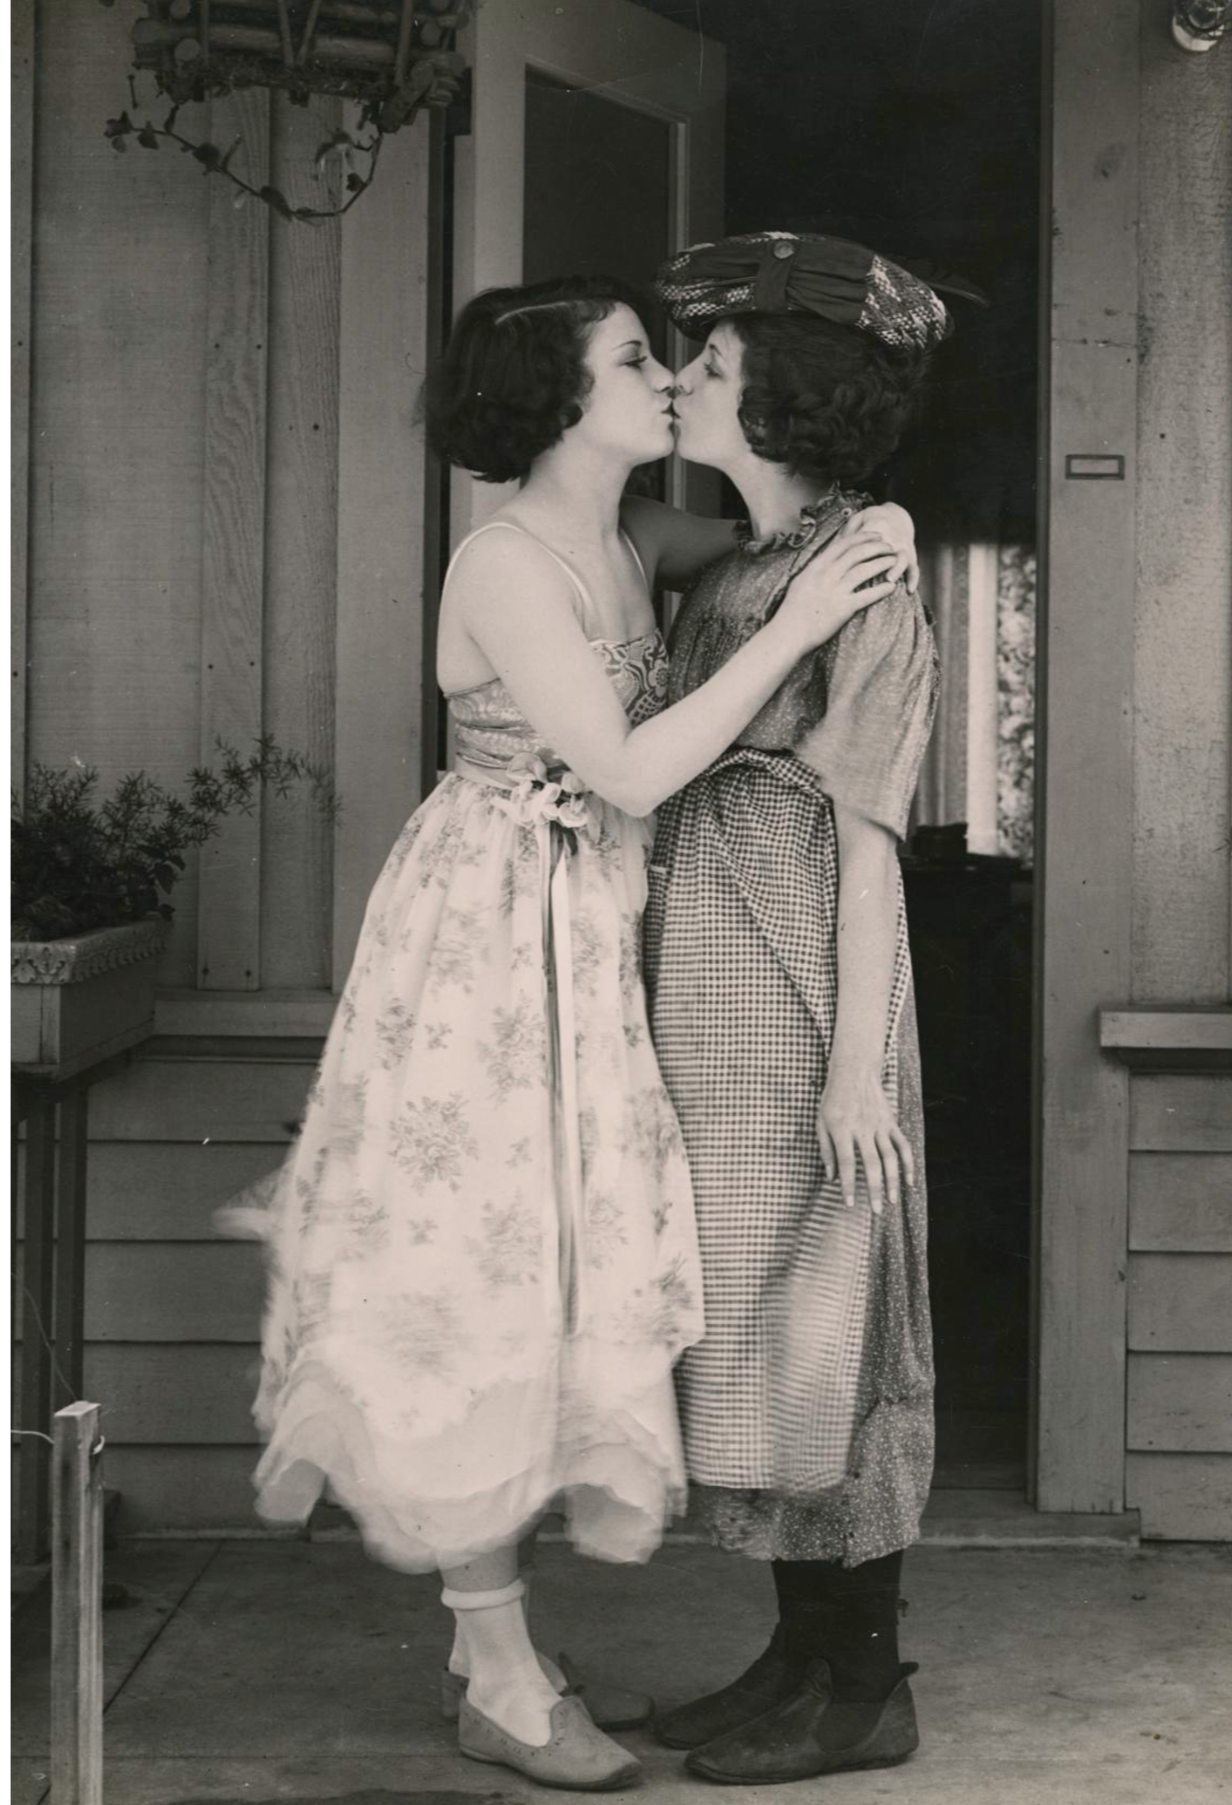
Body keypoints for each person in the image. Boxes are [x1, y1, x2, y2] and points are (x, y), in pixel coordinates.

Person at [223, 271, 918, 1791]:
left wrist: (874, 540)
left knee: (561, 1275)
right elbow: (632, 768)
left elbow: (788, 545)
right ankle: (496, 1661)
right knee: (477, 1270)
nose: (666, 374)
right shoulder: (504, 563)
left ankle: (524, 1650)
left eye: (671, 356)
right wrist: (799, 615)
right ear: (555, 397)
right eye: (630, 357)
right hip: (488, 946)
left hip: (592, 943)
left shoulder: (638, 540)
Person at [641, 232, 952, 1783]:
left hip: (799, 994)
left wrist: (852, 1074)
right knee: (754, 1345)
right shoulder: (748, 568)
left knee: (829, 1327)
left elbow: (870, 842)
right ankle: (793, 1661)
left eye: (710, 362)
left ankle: (865, 1686)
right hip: (704, 1003)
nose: (683, 379)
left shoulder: (867, 576)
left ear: (787, 393)